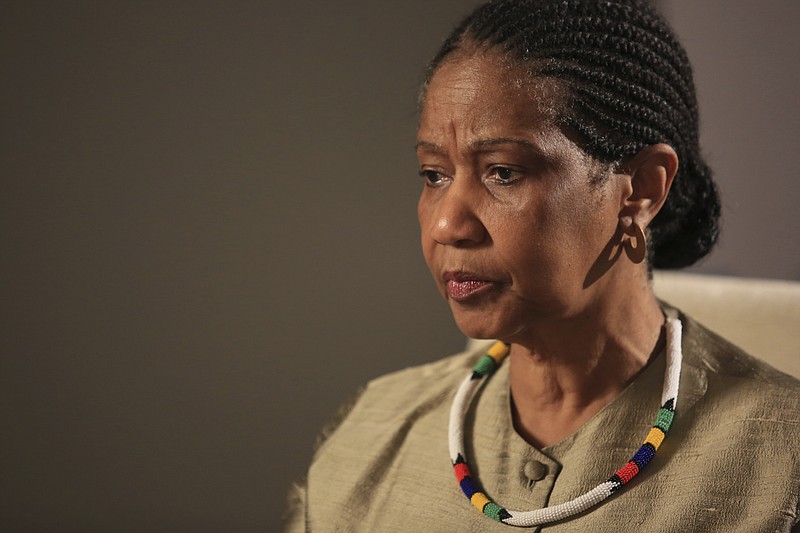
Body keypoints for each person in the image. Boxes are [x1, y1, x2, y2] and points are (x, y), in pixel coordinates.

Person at [284, 0, 800, 531]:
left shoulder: (783, 464)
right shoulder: (369, 437)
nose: (446, 226)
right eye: (434, 174)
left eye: (504, 172)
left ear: (641, 191)